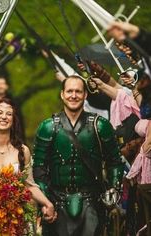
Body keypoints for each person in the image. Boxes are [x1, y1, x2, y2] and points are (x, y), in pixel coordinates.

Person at [33, 76, 124, 236]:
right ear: (62, 94)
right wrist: (46, 202)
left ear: (85, 95)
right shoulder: (47, 127)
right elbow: (38, 168)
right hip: (57, 202)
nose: (73, 95)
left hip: (92, 202)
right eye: (69, 91)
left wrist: (113, 190)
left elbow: (115, 162)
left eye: (78, 91)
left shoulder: (101, 125)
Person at [0, 98, 56, 236]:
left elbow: (30, 185)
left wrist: (47, 203)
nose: (4, 117)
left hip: (16, 220)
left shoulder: (23, 151)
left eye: (9, 114)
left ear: (13, 120)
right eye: (0, 112)